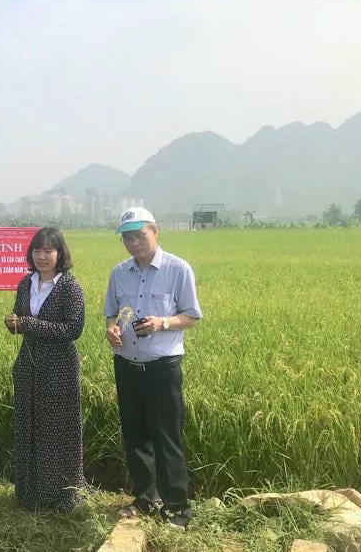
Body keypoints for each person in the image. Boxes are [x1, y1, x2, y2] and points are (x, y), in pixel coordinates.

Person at [104, 207, 202, 529]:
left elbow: (191, 315)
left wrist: (162, 322)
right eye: (127, 238)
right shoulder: (119, 273)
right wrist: (112, 329)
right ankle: (146, 499)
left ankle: (178, 508)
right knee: (135, 436)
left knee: (166, 437)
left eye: (140, 236)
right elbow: (111, 313)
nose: (133, 243)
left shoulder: (178, 269)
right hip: (127, 365)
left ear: (155, 232)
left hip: (162, 367)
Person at [4, 227, 85, 511]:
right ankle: (29, 493)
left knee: (57, 429)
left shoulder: (69, 287)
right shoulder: (26, 284)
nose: (42, 256)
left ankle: (61, 496)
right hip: (28, 365)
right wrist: (13, 323)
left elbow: (73, 329)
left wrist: (29, 324)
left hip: (59, 368)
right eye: (37, 250)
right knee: (29, 426)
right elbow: (20, 319)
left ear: (60, 254)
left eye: (49, 250)